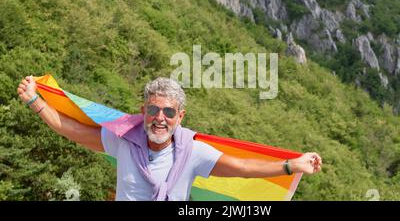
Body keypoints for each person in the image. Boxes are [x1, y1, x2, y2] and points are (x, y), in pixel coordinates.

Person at [17, 75, 322, 201]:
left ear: (180, 117)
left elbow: (242, 167)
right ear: (143, 111)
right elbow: (74, 131)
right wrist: (36, 101)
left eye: (168, 112)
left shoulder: (193, 152)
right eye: (153, 109)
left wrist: (290, 166)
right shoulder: (124, 139)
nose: (160, 118)